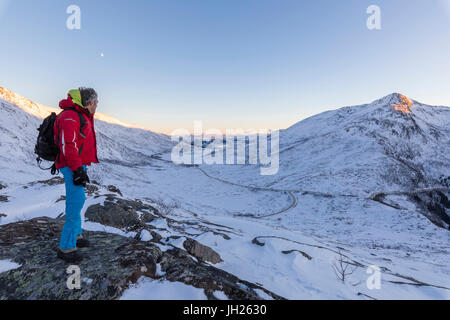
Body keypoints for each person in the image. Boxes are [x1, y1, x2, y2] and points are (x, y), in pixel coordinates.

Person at [54, 87, 99, 263]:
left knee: (78, 200)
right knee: (76, 201)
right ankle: (66, 247)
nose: (96, 105)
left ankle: (76, 236)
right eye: (95, 102)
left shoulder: (80, 115)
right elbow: (68, 145)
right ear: (88, 102)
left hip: (78, 164)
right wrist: (77, 169)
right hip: (72, 165)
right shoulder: (70, 116)